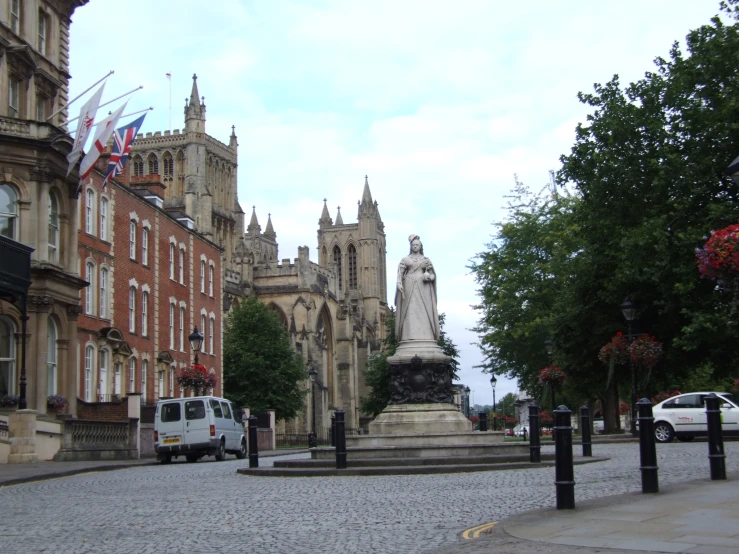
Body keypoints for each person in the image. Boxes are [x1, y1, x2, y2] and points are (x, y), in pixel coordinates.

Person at [395, 234, 440, 342]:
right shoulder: (405, 259)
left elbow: (432, 274)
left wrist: (429, 278)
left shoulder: (426, 260)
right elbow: (399, 275)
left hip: (423, 286)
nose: (415, 246)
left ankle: (427, 334)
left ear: (420, 246)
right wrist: (399, 283)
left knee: (425, 308)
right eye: (413, 245)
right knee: (409, 309)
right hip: (409, 285)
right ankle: (408, 334)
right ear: (411, 246)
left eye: (417, 245)